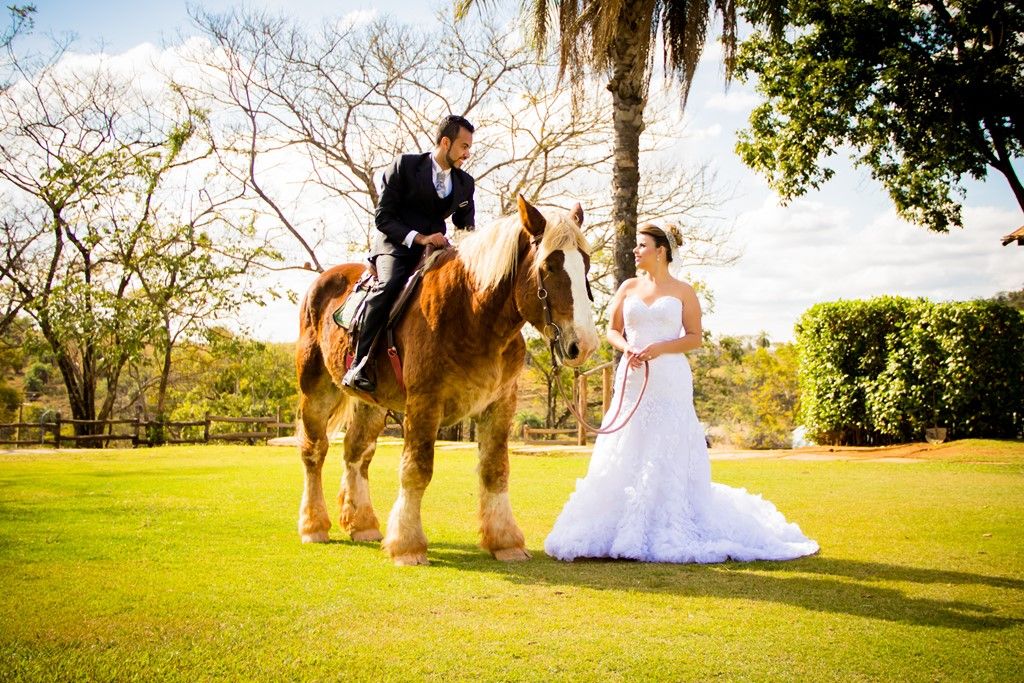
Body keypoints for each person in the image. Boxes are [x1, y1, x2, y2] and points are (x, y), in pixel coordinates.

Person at [544, 223, 819, 563]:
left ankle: (665, 518)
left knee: (665, 443)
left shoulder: (684, 291)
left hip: (669, 377)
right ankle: (617, 521)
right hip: (631, 377)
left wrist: (661, 348)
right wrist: (627, 347)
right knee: (627, 443)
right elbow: (612, 330)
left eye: (642, 245)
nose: (635, 251)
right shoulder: (628, 287)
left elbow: (695, 337)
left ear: (661, 250)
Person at [342, 114, 477, 393]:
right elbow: (383, 218)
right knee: (389, 286)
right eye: (464, 146)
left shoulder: (465, 183)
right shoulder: (404, 166)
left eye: (469, 148)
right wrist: (421, 238)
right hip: (395, 247)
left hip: (437, 252)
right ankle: (360, 362)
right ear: (445, 141)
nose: (467, 154)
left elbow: (466, 228)